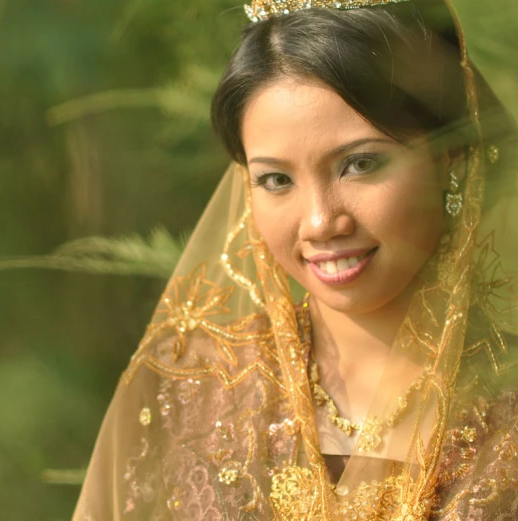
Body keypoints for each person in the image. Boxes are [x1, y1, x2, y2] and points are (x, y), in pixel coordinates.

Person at [72, 0, 518, 518]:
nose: (319, 222)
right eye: (276, 180)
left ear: (448, 159)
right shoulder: (184, 391)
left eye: (360, 164)